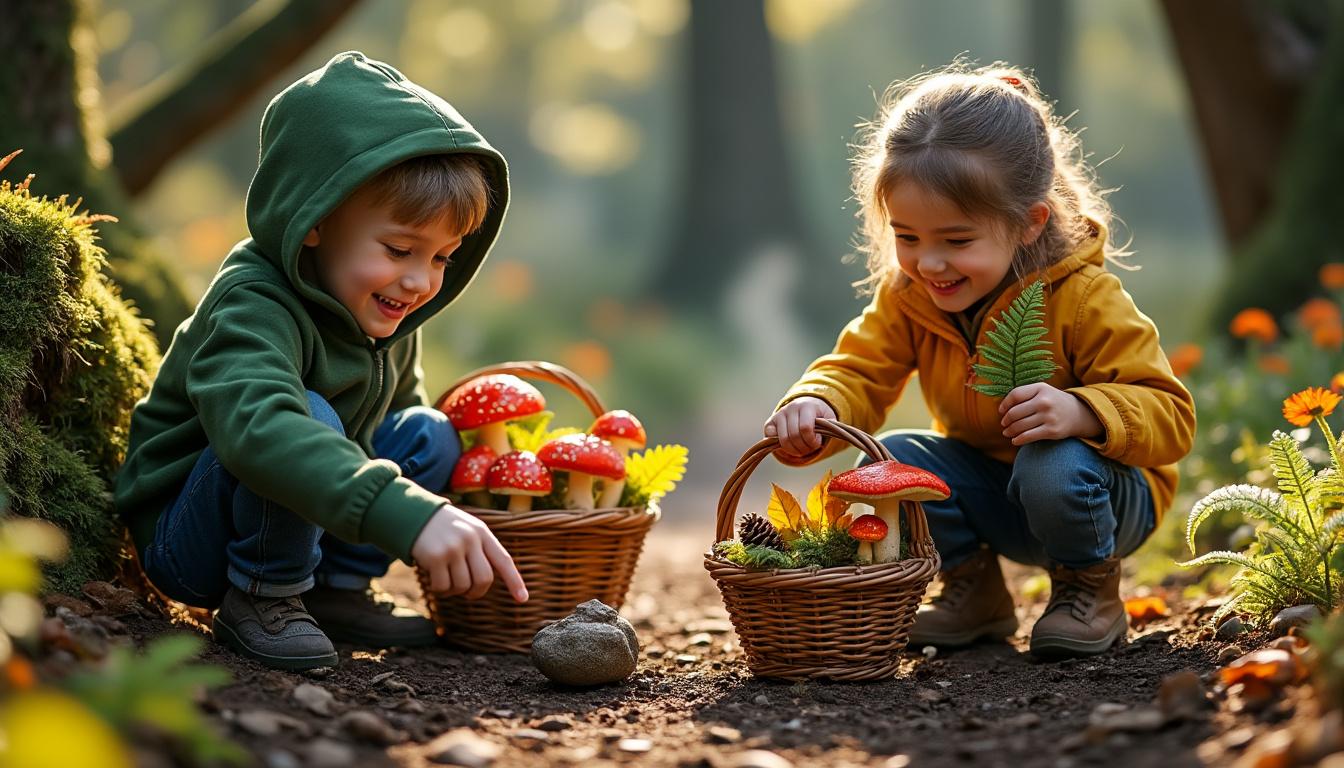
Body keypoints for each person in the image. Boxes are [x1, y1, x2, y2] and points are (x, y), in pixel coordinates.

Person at [764, 62, 1195, 658]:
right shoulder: (910, 297)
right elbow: (859, 367)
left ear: (1029, 223)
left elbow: (1171, 415)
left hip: (1101, 496)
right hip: (994, 493)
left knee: (1051, 462)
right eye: (907, 237)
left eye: (957, 240)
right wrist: (818, 403)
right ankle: (974, 590)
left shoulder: (1084, 299)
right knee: (895, 459)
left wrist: (1083, 412)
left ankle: (1088, 590)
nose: (929, 263)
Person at [115, 52, 527, 671]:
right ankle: (263, 594)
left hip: (306, 519)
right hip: (193, 540)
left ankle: (334, 588)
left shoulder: (386, 312)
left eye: (442, 257)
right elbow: (261, 432)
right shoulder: (251, 303)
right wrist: (404, 515)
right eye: (399, 249)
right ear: (314, 220)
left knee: (428, 432)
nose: (420, 281)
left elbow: (397, 427)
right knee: (304, 416)